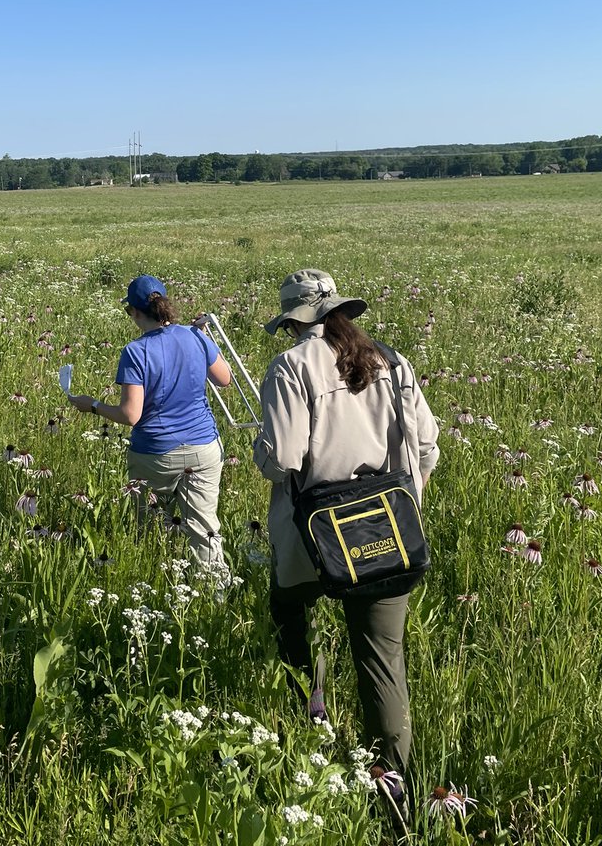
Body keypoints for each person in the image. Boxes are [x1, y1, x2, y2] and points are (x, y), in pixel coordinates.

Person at [252, 269, 439, 823]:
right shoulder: (392, 361)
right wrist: (408, 498)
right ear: (340, 312)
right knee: (383, 663)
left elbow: (280, 459)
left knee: (290, 615)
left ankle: (306, 728)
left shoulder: (291, 366)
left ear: (294, 321)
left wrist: (259, 447)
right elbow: (426, 446)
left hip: (312, 534)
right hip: (387, 529)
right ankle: (394, 791)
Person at [67, 274, 233, 570]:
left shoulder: (136, 351)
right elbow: (224, 379)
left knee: (150, 523)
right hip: (204, 447)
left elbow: (131, 415)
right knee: (204, 526)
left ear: (134, 312)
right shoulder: (194, 336)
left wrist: (92, 405)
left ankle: (154, 573)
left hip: (155, 454)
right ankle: (214, 590)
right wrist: (204, 337)